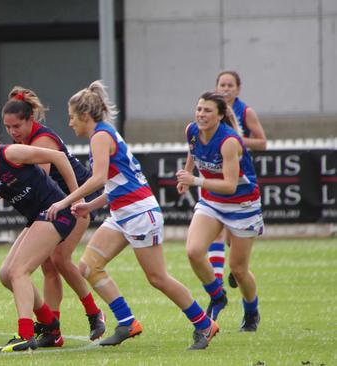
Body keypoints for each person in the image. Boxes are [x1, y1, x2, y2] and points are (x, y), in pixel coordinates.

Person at [46, 80, 219, 350]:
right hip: (122, 212)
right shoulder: (102, 134)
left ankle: (204, 324)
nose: (69, 124)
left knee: (157, 278)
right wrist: (90, 206)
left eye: (71, 118)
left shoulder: (100, 136)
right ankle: (127, 322)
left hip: (139, 213)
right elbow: (116, 183)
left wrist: (68, 200)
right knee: (89, 267)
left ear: (84, 116)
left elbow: (99, 178)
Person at [0, 112, 79, 352]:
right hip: (37, 218)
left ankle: (25, 335)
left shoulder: (10, 153)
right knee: (5, 274)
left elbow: (59, 157)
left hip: (57, 212)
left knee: (18, 270)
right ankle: (50, 328)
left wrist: (74, 198)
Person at [2, 86, 105, 347]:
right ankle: (53, 330)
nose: (12, 133)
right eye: (7, 127)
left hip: (74, 203)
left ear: (31, 120)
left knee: (59, 259)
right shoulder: (21, 143)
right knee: (47, 265)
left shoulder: (41, 141)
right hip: (53, 207)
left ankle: (94, 313)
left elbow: (41, 183)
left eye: (17, 126)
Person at [176, 91, 263, 332]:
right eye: (199, 109)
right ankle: (217, 295)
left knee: (239, 269)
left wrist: (195, 180)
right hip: (212, 202)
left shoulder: (229, 141)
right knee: (193, 251)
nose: (201, 114)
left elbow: (230, 185)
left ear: (220, 115)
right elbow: (193, 151)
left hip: (242, 205)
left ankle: (251, 310)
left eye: (207, 111)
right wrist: (186, 173)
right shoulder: (191, 130)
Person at [208, 71, 267, 289]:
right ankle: (216, 280)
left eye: (230, 85)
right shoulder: (210, 111)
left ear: (238, 89)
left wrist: (235, 139)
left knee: (233, 235)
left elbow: (262, 142)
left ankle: (235, 269)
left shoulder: (246, 112)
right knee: (217, 228)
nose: (225, 88)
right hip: (215, 174)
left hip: (240, 176)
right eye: (222, 84)